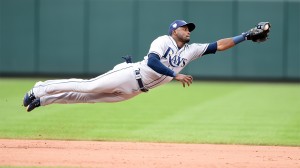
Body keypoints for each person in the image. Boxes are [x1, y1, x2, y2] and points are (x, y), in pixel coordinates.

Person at [23, 20, 270, 112]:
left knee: (86, 98)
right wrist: (175, 75)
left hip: (134, 91)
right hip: (132, 74)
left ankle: (45, 101)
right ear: (175, 30)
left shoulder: (191, 50)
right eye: (185, 28)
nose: (188, 31)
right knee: (88, 87)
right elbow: (152, 61)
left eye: (189, 29)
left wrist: (245, 36)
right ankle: (40, 88)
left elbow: (219, 45)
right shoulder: (163, 40)